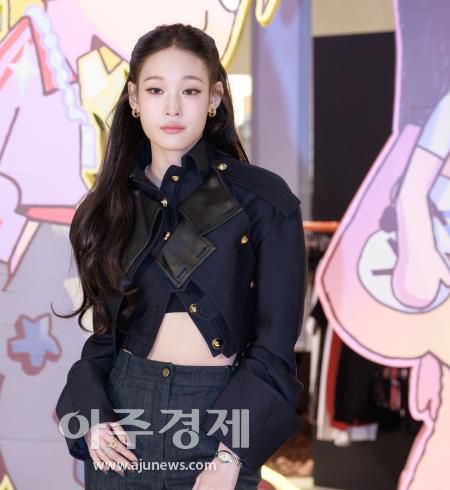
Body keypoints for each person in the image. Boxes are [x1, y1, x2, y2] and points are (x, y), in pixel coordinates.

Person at [54, 23, 307, 489]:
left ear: (214, 98)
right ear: (134, 99)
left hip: (218, 423)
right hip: (122, 424)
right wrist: (91, 418)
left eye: (189, 90)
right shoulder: (110, 206)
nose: (172, 107)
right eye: (155, 90)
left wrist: (230, 454)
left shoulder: (264, 201)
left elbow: (274, 346)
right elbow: (105, 341)